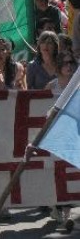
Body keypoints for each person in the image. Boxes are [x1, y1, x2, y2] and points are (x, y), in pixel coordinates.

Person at [45, 51, 77, 231]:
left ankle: (66, 213)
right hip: (54, 136)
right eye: (65, 63)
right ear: (58, 66)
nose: (69, 66)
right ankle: (56, 207)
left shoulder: (78, 85)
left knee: (70, 172)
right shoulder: (51, 86)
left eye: (71, 63)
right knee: (56, 173)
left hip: (73, 136)